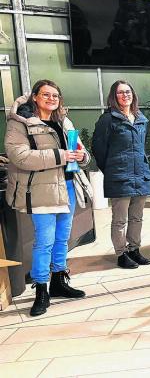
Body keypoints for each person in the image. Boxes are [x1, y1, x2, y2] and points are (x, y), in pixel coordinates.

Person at [5, 79, 92, 316]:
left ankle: (58, 281)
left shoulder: (63, 121)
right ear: (35, 97)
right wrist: (63, 155)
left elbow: (80, 154)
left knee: (63, 238)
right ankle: (41, 289)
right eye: (46, 95)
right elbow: (20, 156)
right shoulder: (20, 122)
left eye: (55, 95)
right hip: (41, 190)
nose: (52, 99)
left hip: (68, 187)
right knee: (44, 241)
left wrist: (82, 156)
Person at [92, 80, 150, 269]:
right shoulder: (108, 119)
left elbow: (142, 146)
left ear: (133, 94)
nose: (125, 95)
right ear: (113, 96)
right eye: (120, 93)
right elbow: (98, 148)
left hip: (140, 174)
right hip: (120, 175)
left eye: (128, 92)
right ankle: (121, 253)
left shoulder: (141, 117)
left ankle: (134, 249)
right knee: (119, 219)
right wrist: (111, 168)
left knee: (137, 217)